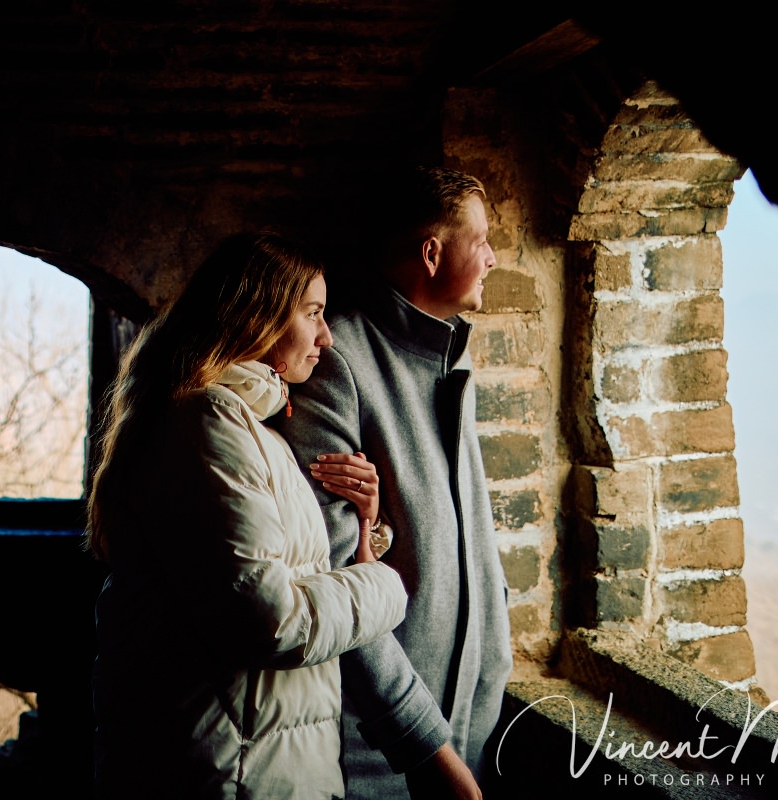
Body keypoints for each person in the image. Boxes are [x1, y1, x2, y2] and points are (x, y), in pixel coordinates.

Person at [86, 230, 409, 799]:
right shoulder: (206, 423)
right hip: (225, 776)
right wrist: (385, 586)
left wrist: (367, 530)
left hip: (254, 768)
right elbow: (270, 620)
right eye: (312, 313)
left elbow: (276, 571)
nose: (326, 338)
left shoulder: (248, 428)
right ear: (257, 315)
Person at [276, 166, 513, 800]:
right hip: (385, 760)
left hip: (469, 741)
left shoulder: (450, 356)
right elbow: (329, 585)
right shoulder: (340, 362)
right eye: (482, 240)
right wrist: (423, 749)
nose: (493, 257)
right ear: (432, 254)